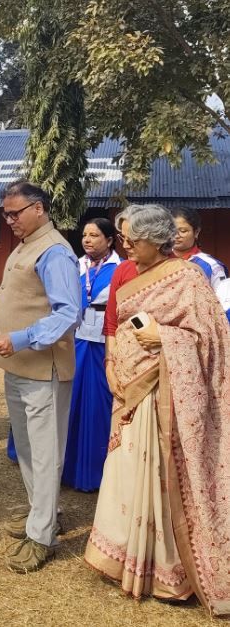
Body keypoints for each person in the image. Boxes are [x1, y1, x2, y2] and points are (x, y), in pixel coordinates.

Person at [85, 204, 230, 615]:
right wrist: (114, 362)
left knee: (160, 477)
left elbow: (212, 340)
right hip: (131, 393)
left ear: (155, 240)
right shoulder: (130, 274)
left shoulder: (188, 278)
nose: (125, 244)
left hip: (165, 400)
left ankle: (166, 570)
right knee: (129, 473)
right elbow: (115, 321)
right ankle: (126, 557)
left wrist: (163, 337)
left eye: (132, 239)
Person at [0, 180, 81, 572]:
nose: (9, 220)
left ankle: (42, 535)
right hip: (18, 366)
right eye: (6, 214)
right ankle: (43, 514)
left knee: (46, 454)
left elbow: (67, 314)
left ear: (39, 208)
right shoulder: (27, 244)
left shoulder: (55, 251)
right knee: (31, 452)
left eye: (15, 213)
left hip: (42, 369)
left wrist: (21, 338)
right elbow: (28, 299)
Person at [62, 218, 120, 491]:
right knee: (70, 404)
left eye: (94, 235)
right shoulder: (76, 265)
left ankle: (94, 472)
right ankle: (66, 468)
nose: (87, 240)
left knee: (97, 407)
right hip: (76, 340)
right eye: (85, 235)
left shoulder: (119, 268)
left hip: (101, 345)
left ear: (109, 240)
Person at [172, 206, 227, 291]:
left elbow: (224, 301)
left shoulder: (211, 266)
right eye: (172, 231)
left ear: (196, 232)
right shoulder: (159, 261)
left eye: (183, 231)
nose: (176, 236)